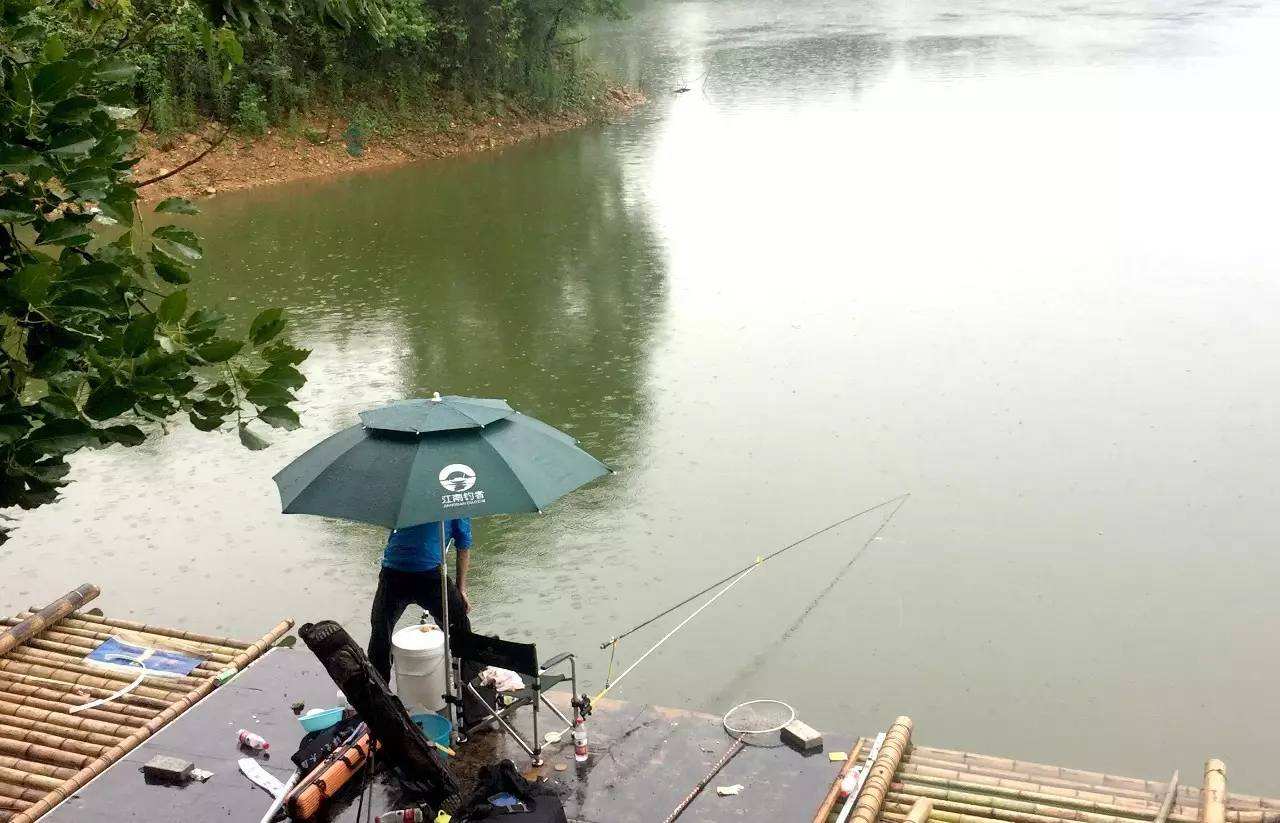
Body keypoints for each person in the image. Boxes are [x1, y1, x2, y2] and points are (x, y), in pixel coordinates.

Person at [367, 517, 474, 685]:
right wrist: (461, 589)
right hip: (395, 571)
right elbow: (463, 546)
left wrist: (461, 590)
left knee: (458, 622)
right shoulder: (452, 504)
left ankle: (467, 682)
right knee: (380, 632)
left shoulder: (446, 506)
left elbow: (463, 543)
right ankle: (379, 690)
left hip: (421, 573)